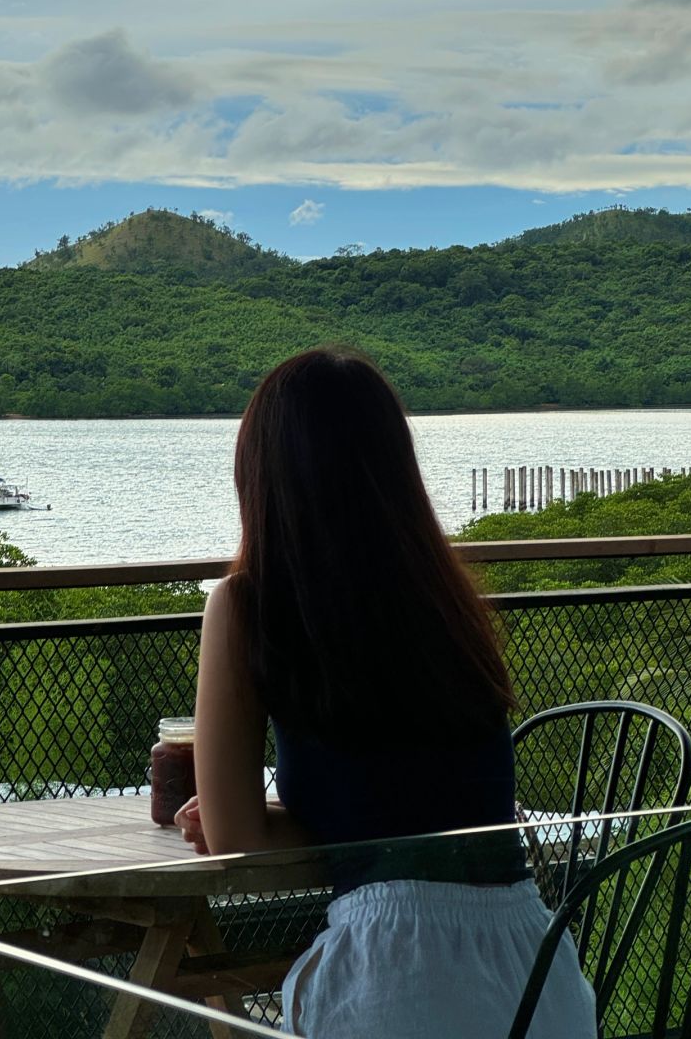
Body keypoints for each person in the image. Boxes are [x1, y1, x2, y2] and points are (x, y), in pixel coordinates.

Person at [176, 347, 595, 1038]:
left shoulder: (248, 604)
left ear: (262, 472)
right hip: (537, 977)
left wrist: (242, 810)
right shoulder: (443, 598)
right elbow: (405, 804)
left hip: (398, 981)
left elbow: (235, 842)